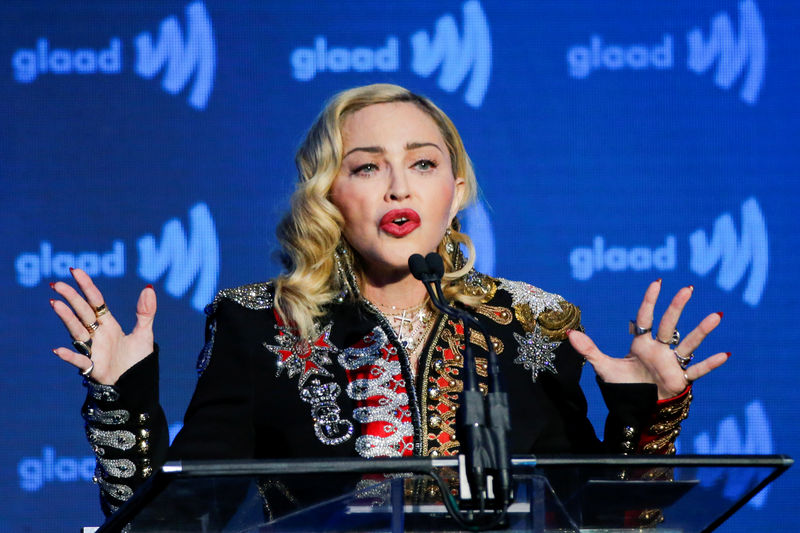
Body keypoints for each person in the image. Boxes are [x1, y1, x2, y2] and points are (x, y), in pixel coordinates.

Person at [50, 83, 728, 516]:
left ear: (455, 189)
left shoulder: (529, 324)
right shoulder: (260, 322)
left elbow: (600, 520)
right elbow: (176, 520)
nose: (399, 187)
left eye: (424, 162)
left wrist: (648, 415)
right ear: (328, 193)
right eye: (367, 165)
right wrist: (123, 397)